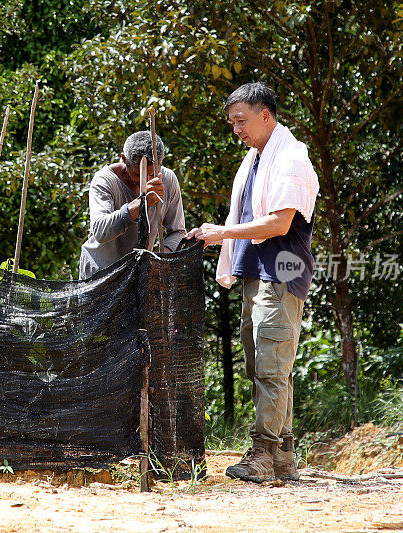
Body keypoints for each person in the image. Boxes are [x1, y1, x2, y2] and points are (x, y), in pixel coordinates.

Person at [187, 82, 319, 482]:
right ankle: (283, 458)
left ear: (266, 115)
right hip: (255, 270)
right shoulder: (257, 159)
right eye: (232, 123)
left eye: (241, 120)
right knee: (264, 366)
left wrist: (220, 233)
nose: (237, 130)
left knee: (271, 367)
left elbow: (279, 223)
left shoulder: (290, 159)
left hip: (282, 270)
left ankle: (262, 453)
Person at [79, 131, 186, 279]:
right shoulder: (104, 180)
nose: (147, 180)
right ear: (124, 159)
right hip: (99, 276)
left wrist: (159, 262)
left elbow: (177, 232)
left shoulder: (168, 180)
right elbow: (100, 231)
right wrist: (141, 204)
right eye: (138, 174)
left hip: (136, 276)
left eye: (152, 173)